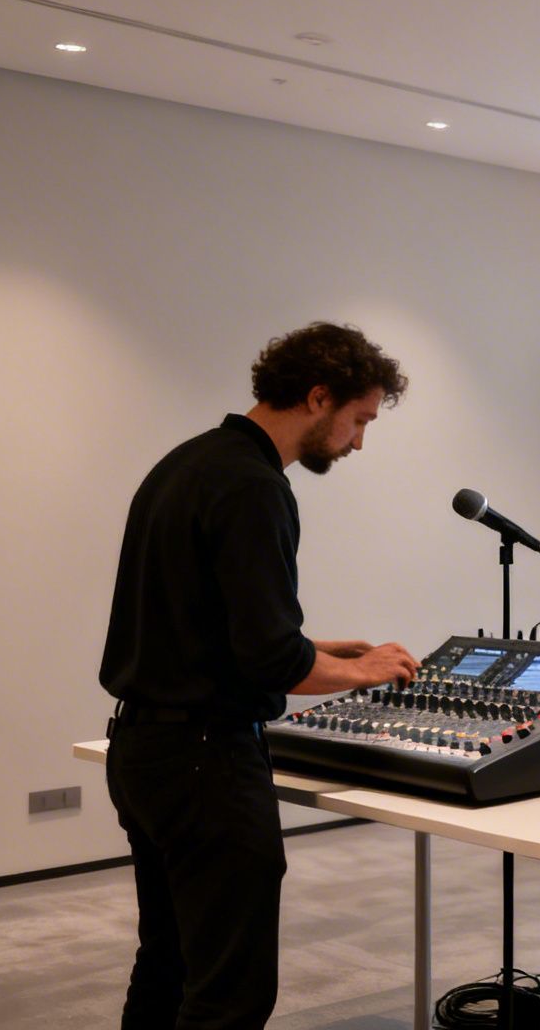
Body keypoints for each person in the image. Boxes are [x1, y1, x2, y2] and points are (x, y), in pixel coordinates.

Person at [99, 321, 421, 1029]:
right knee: (230, 994)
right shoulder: (254, 487)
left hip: (142, 752)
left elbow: (205, 625)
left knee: (170, 963)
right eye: (359, 420)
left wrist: (328, 652)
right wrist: (359, 670)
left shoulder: (188, 463)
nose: (360, 441)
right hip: (205, 763)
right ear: (317, 397)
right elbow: (269, 658)